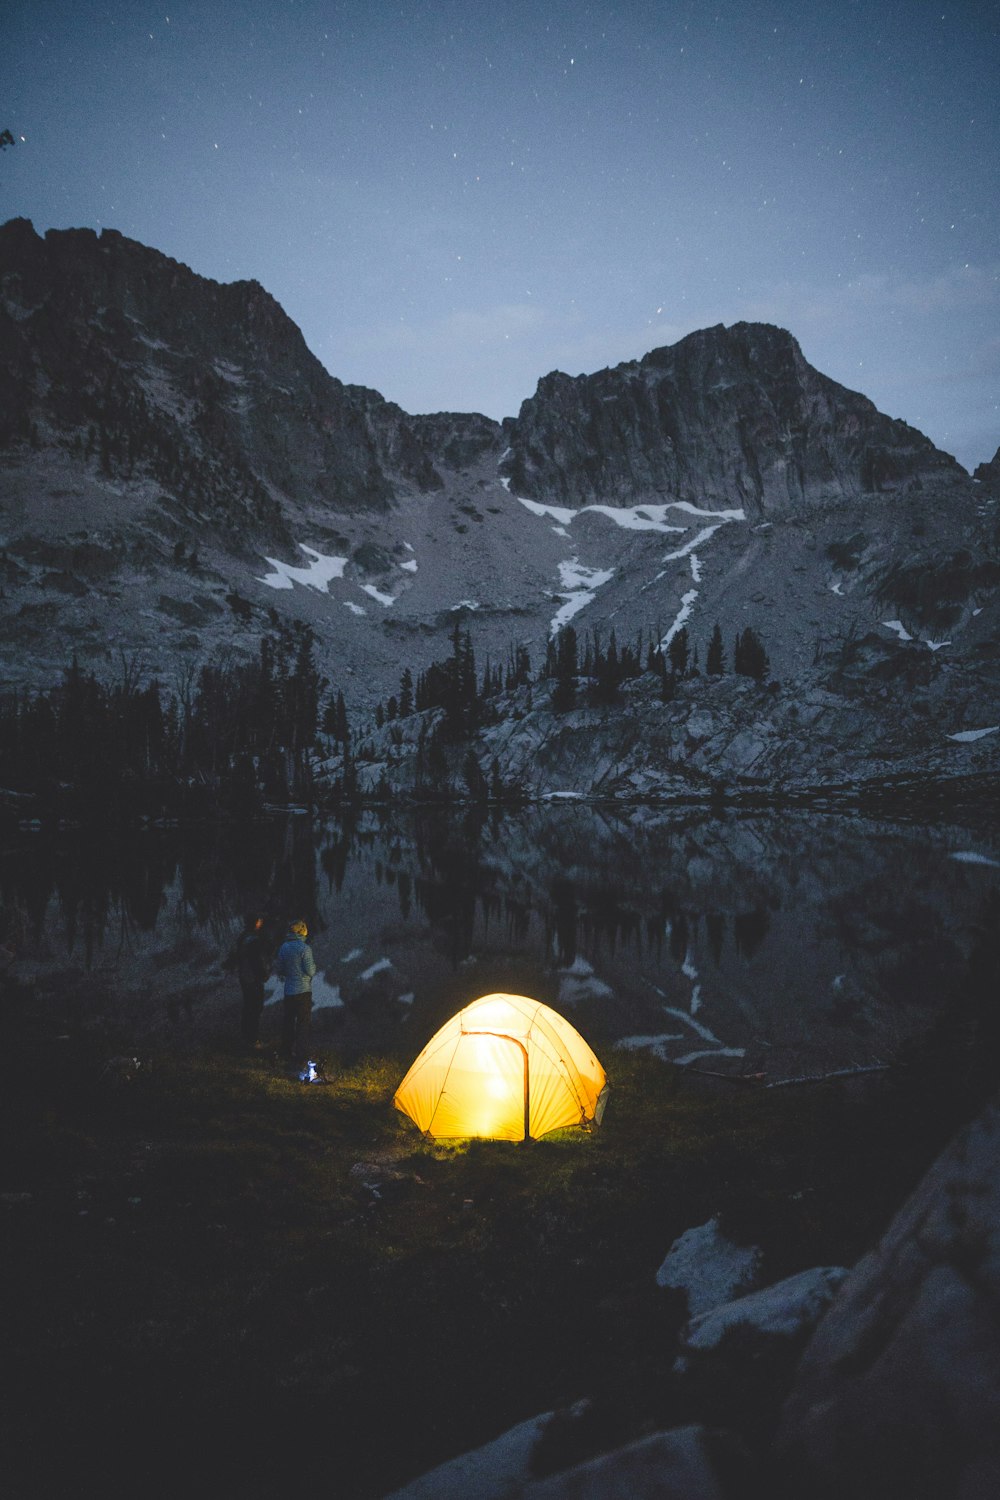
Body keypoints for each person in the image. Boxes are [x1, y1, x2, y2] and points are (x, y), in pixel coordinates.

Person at [274, 918, 316, 1069]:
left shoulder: (284, 947)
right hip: (303, 990)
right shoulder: (305, 949)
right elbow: (311, 971)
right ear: (301, 931)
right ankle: (302, 1055)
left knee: (289, 1022)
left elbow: (280, 969)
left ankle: (286, 1051)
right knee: (303, 1023)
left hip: (289, 990)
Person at [235, 913, 271, 1049]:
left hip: (245, 976)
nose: (261, 923)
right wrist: (263, 974)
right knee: (255, 1007)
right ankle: (253, 1039)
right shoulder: (253, 940)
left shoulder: (243, 937)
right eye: (259, 921)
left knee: (248, 1007)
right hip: (253, 978)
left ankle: (246, 1037)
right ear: (255, 922)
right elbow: (256, 960)